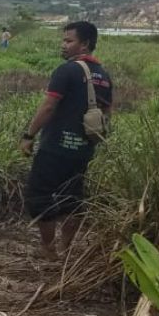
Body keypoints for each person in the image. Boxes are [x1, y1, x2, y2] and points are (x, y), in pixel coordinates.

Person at [20, 21, 113, 259]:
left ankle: (49, 249)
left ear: (85, 44)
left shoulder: (67, 71)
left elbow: (49, 106)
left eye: (69, 41)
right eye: (64, 40)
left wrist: (29, 135)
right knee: (72, 197)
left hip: (55, 146)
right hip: (83, 150)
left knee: (39, 195)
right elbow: (107, 115)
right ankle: (67, 248)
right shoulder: (104, 75)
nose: (63, 45)